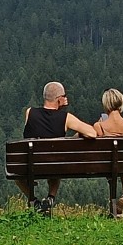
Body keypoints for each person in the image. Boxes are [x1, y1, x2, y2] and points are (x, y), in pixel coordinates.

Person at [18, 81, 97, 214]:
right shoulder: (66, 118)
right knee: (54, 161)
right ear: (59, 99)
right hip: (55, 165)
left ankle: (33, 200)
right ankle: (50, 198)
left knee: (17, 171)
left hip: (31, 165)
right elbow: (92, 133)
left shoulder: (30, 112)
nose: (66, 98)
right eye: (64, 96)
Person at [93, 88, 123, 217]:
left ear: (106, 105)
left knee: (113, 162)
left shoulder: (99, 126)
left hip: (107, 167)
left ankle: (113, 203)